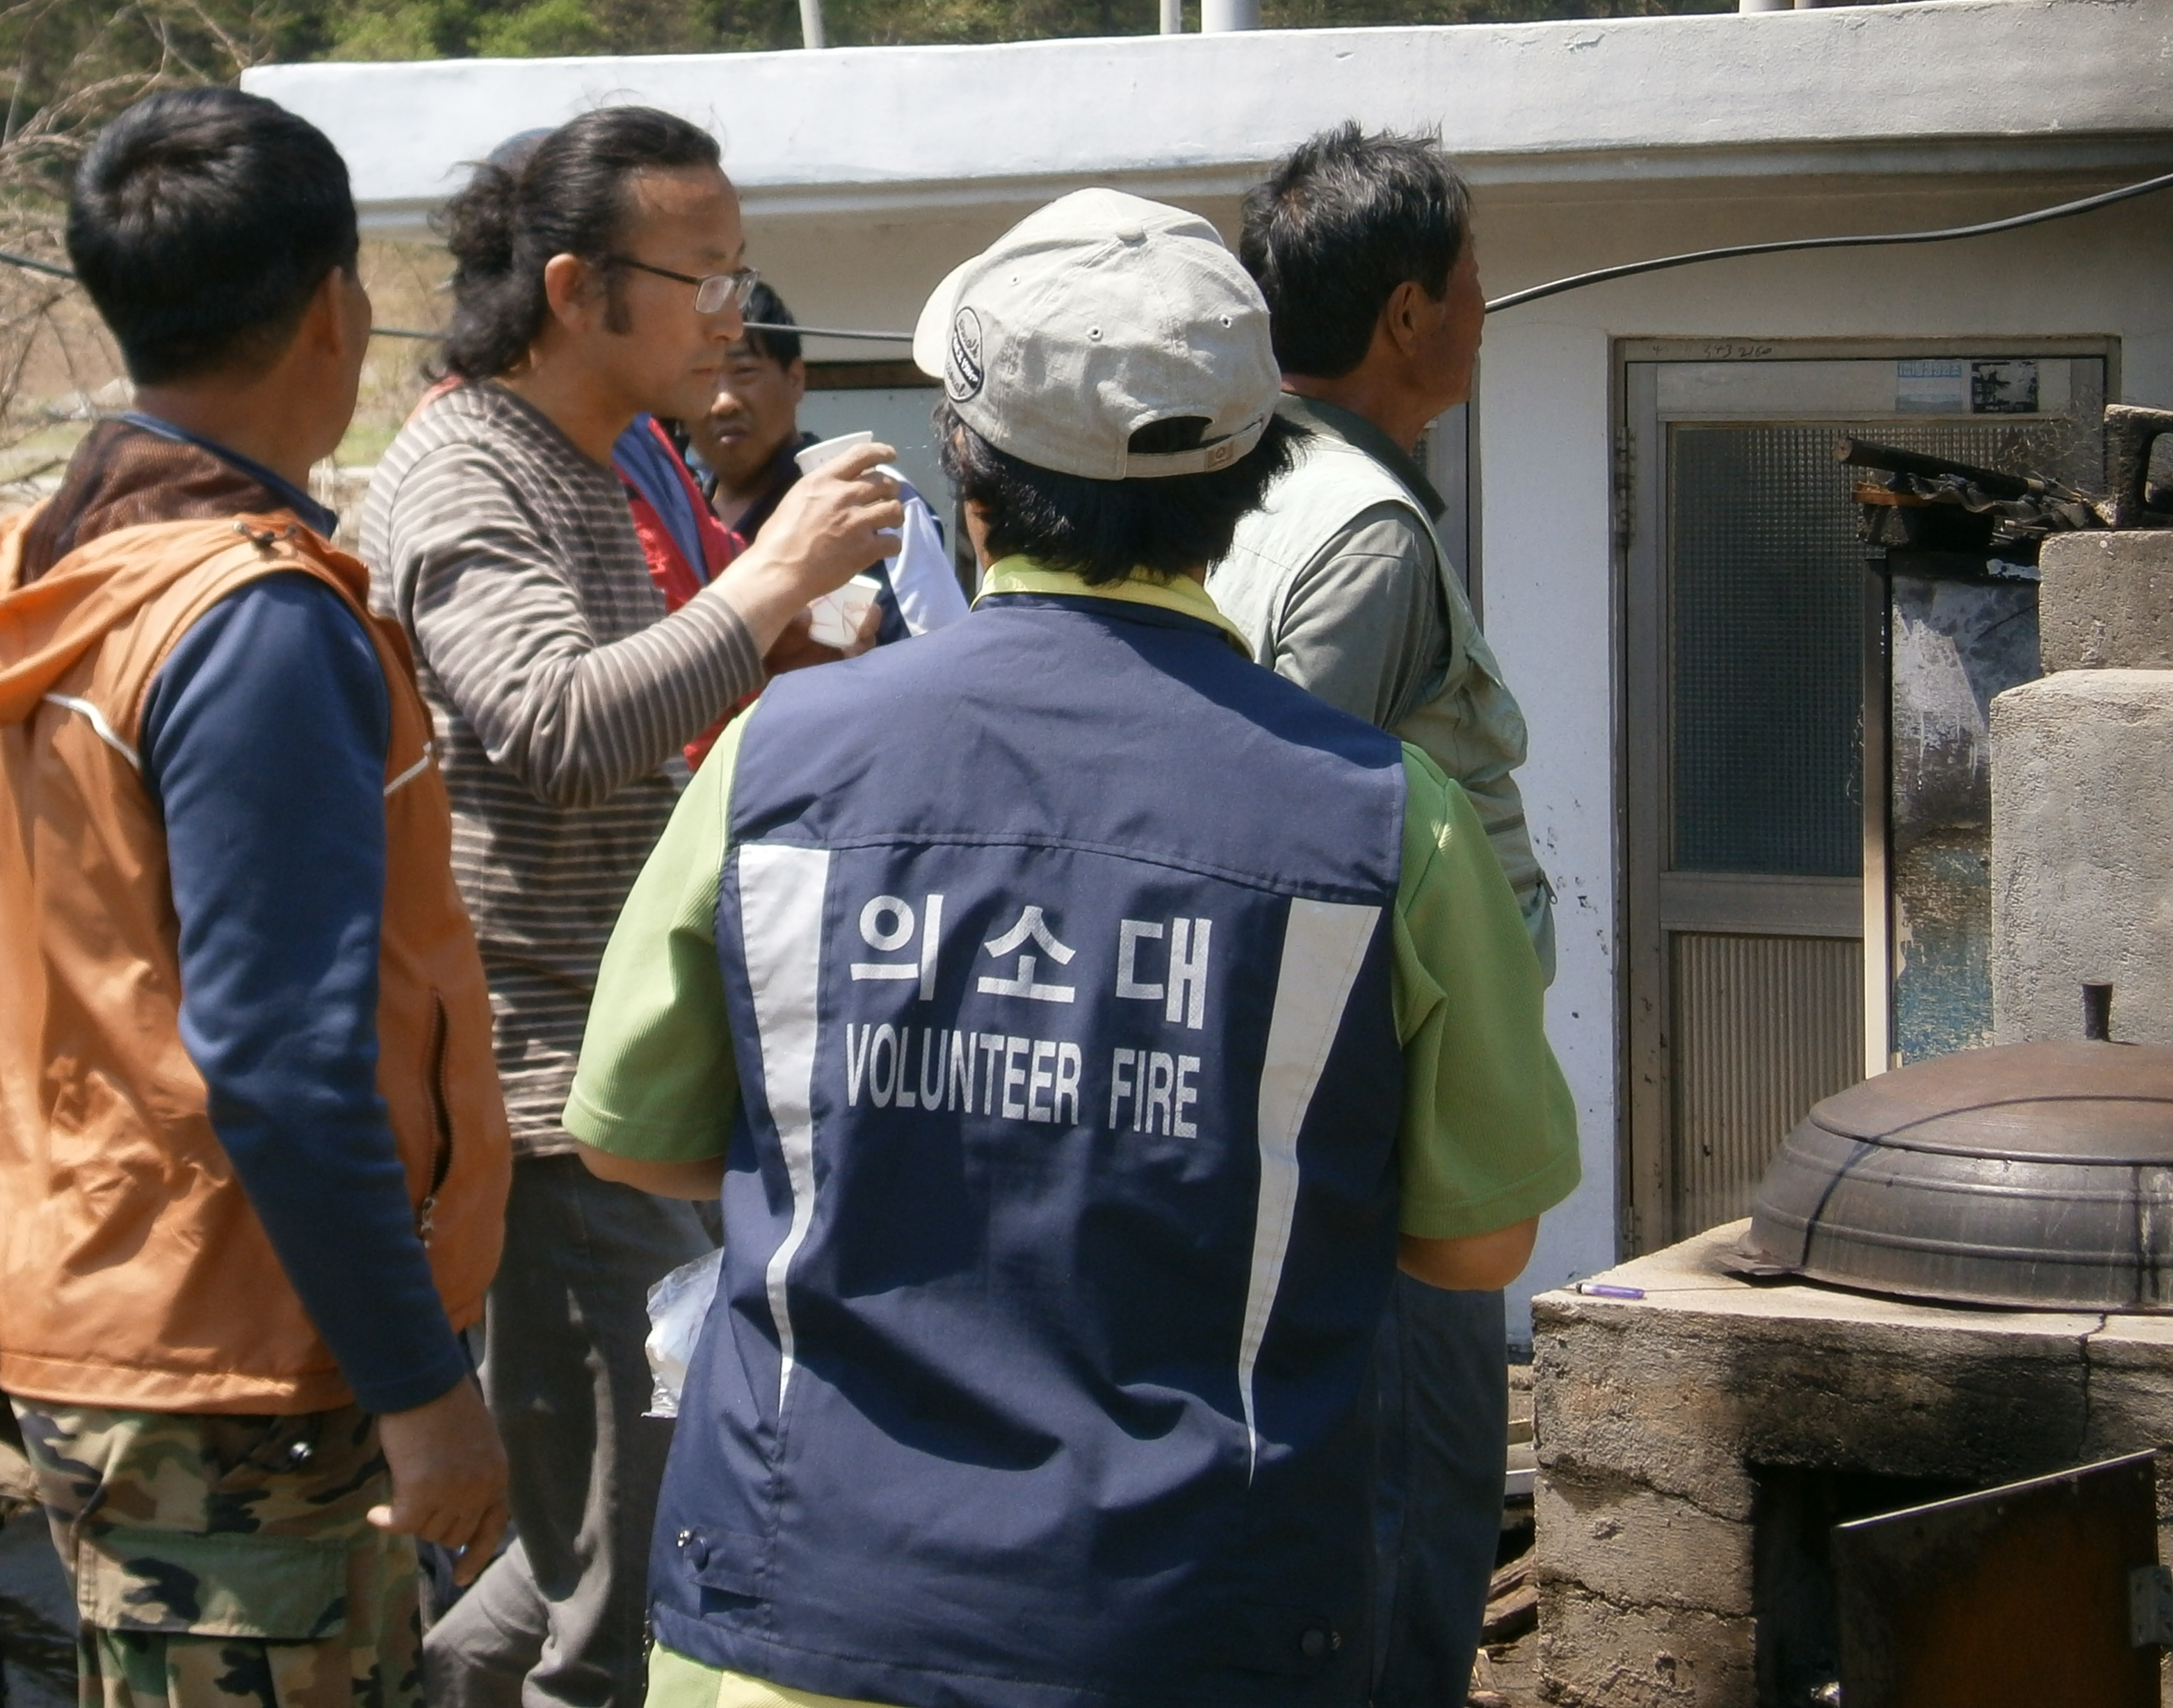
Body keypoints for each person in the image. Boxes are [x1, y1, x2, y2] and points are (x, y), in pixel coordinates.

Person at [565, 188, 1578, 1708]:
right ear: (1248, 479)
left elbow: (631, 1140)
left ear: (962, 471)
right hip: (1196, 1623)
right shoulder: (1387, 817)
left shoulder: (778, 759)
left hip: (797, 1601)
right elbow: (1475, 1241)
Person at [0, 86, 515, 1708]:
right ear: (331, 306)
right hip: (244, 1358)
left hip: (133, 1293)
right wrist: (420, 1386)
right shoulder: (251, 620)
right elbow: (282, 1062)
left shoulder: (63, 562)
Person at [361, 108, 905, 1708]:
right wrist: (770, 576)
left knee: (589, 1552)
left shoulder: (603, 459)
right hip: (545, 1096)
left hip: (617, 1077)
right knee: (619, 1587)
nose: (730, 315)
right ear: (573, 289)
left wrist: (793, 637)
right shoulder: (465, 467)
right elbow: (553, 721)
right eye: (701, 275)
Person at [1207, 124, 1555, 1708]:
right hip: (1386, 1103)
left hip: (1301, 1114)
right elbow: (1287, 831)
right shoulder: (1362, 530)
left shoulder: (1239, 488)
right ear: (1407, 312)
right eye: (1471, 278)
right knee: (1417, 1498)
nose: (1486, 307)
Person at [686, 276, 969, 642]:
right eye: (705, 376)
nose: (724, 403)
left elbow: (937, 653)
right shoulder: (676, 510)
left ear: (795, 379)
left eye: (744, 372)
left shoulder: (868, 496)